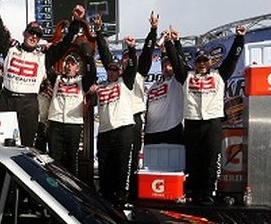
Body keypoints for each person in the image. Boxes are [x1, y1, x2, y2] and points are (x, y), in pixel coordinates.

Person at [0, 0, 83, 146]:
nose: (34, 37)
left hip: (29, 104)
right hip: (7, 100)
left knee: (25, 148)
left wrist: (75, 23)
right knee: (0, 148)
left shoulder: (43, 56)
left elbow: (65, 44)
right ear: (24, 33)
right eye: (31, 32)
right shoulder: (10, 48)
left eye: (38, 35)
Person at [166, 25, 246, 205]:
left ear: (211, 62)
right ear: (195, 63)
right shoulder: (186, 75)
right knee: (193, 159)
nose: (202, 64)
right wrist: (171, 43)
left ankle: (209, 192)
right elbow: (176, 60)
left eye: (205, 61)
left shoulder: (220, 75)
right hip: (192, 122)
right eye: (199, 61)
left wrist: (239, 38)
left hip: (213, 123)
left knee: (211, 160)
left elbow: (233, 58)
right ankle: (193, 191)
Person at [93, 13, 158, 205]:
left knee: (128, 159)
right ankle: (111, 194)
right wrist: (99, 32)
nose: (116, 67)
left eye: (126, 60)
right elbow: (105, 54)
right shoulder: (113, 79)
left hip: (132, 119)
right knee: (113, 161)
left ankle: (128, 193)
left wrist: (152, 31)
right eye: (115, 65)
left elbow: (146, 53)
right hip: (113, 123)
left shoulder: (135, 74)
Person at [47, 51, 97, 175]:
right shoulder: (57, 78)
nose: (69, 66)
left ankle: (70, 189)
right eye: (67, 63)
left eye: (72, 64)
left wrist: (88, 56)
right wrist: (49, 50)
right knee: (54, 159)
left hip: (73, 124)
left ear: (77, 67)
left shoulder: (82, 81)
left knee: (71, 159)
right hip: (55, 122)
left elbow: (92, 73)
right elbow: (47, 65)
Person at [144, 36, 185, 145]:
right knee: (152, 161)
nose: (167, 68)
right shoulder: (153, 86)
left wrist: (175, 42)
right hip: (151, 131)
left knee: (174, 160)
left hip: (172, 128)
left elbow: (180, 63)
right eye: (164, 65)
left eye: (170, 65)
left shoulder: (177, 80)